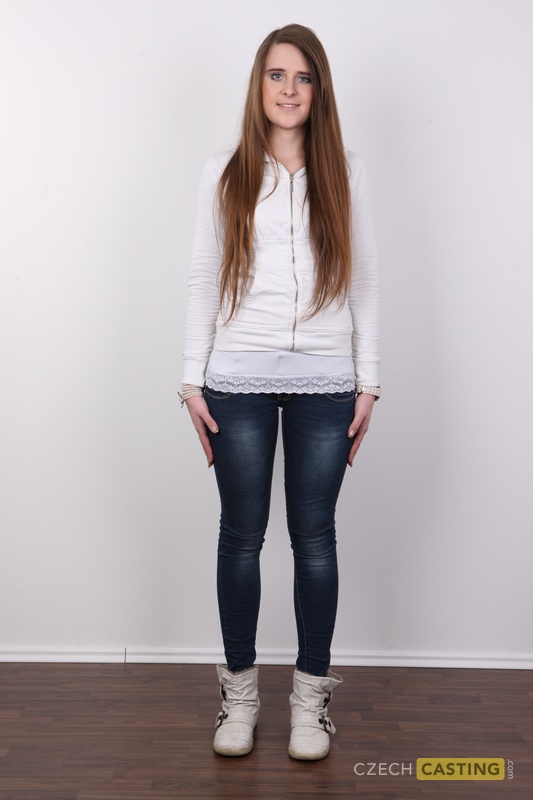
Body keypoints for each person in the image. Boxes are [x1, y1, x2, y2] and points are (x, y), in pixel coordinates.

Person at [180, 23, 379, 761]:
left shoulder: (346, 172)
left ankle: (309, 704)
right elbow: (204, 278)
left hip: (327, 381)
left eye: (302, 77)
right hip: (236, 379)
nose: (288, 89)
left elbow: (364, 279)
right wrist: (190, 381)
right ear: (258, 85)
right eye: (276, 75)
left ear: (318, 89)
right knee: (241, 536)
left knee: (314, 539)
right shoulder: (225, 172)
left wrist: (369, 381)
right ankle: (238, 699)